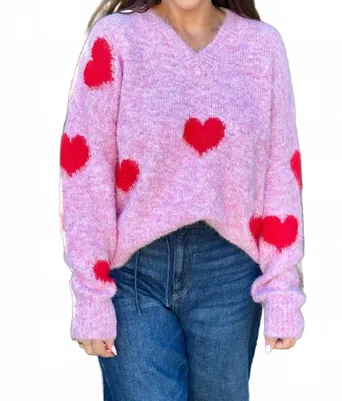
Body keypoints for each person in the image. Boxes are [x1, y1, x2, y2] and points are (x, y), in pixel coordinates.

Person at [58, 0, 306, 399]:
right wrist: (90, 293)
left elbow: (280, 169)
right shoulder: (117, 40)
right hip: (134, 272)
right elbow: (86, 170)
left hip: (229, 274)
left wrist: (282, 286)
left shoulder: (262, 47)